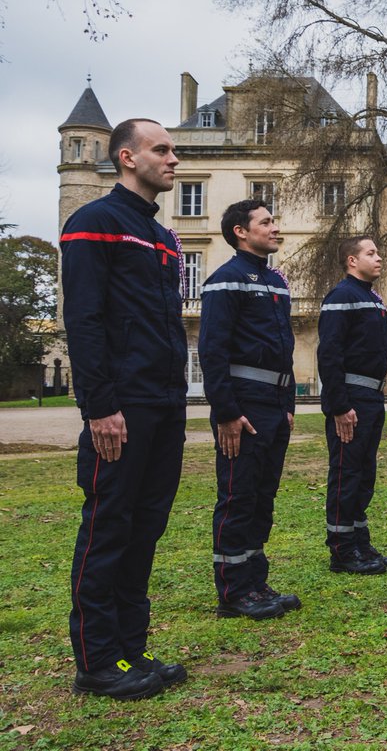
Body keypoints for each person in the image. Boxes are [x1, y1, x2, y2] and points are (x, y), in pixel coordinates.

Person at [60, 118, 188, 700]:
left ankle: (131, 648)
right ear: (127, 158)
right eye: (162, 149)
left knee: (146, 527)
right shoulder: (94, 223)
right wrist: (100, 405)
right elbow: (84, 320)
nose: (174, 160)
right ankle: (96, 660)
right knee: (109, 525)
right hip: (122, 406)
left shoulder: (162, 236)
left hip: (165, 403)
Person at [200, 199, 300, 621]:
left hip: (275, 406)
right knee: (238, 496)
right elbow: (212, 349)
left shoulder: (275, 281)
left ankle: (255, 581)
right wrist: (225, 411)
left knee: (263, 497)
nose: (275, 228)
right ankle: (233, 590)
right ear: (241, 231)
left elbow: (285, 351)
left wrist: (289, 403)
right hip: (243, 406)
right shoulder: (226, 280)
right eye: (266, 222)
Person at [318, 236, 387, 575]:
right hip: (351, 400)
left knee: (364, 475)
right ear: (352, 260)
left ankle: (360, 541)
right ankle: (342, 550)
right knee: (347, 473)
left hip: (372, 399)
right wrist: (338, 406)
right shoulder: (343, 296)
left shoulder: (371, 299)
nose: (379, 258)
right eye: (371, 253)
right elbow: (329, 353)